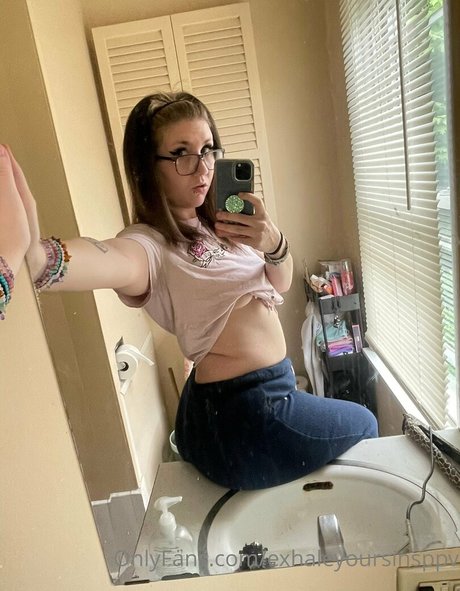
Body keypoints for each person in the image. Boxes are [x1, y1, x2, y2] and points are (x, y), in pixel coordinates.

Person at [0, 91, 378, 490]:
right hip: (249, 412)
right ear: (150, 169)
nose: (202, 168)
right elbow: (109, 258)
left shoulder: (222, 223)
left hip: (238, 402)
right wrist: (40, 258)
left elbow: (280, 282)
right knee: (366, 423)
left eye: (207, 150)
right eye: (181, 153)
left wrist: (274, 242)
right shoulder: (150, 245)